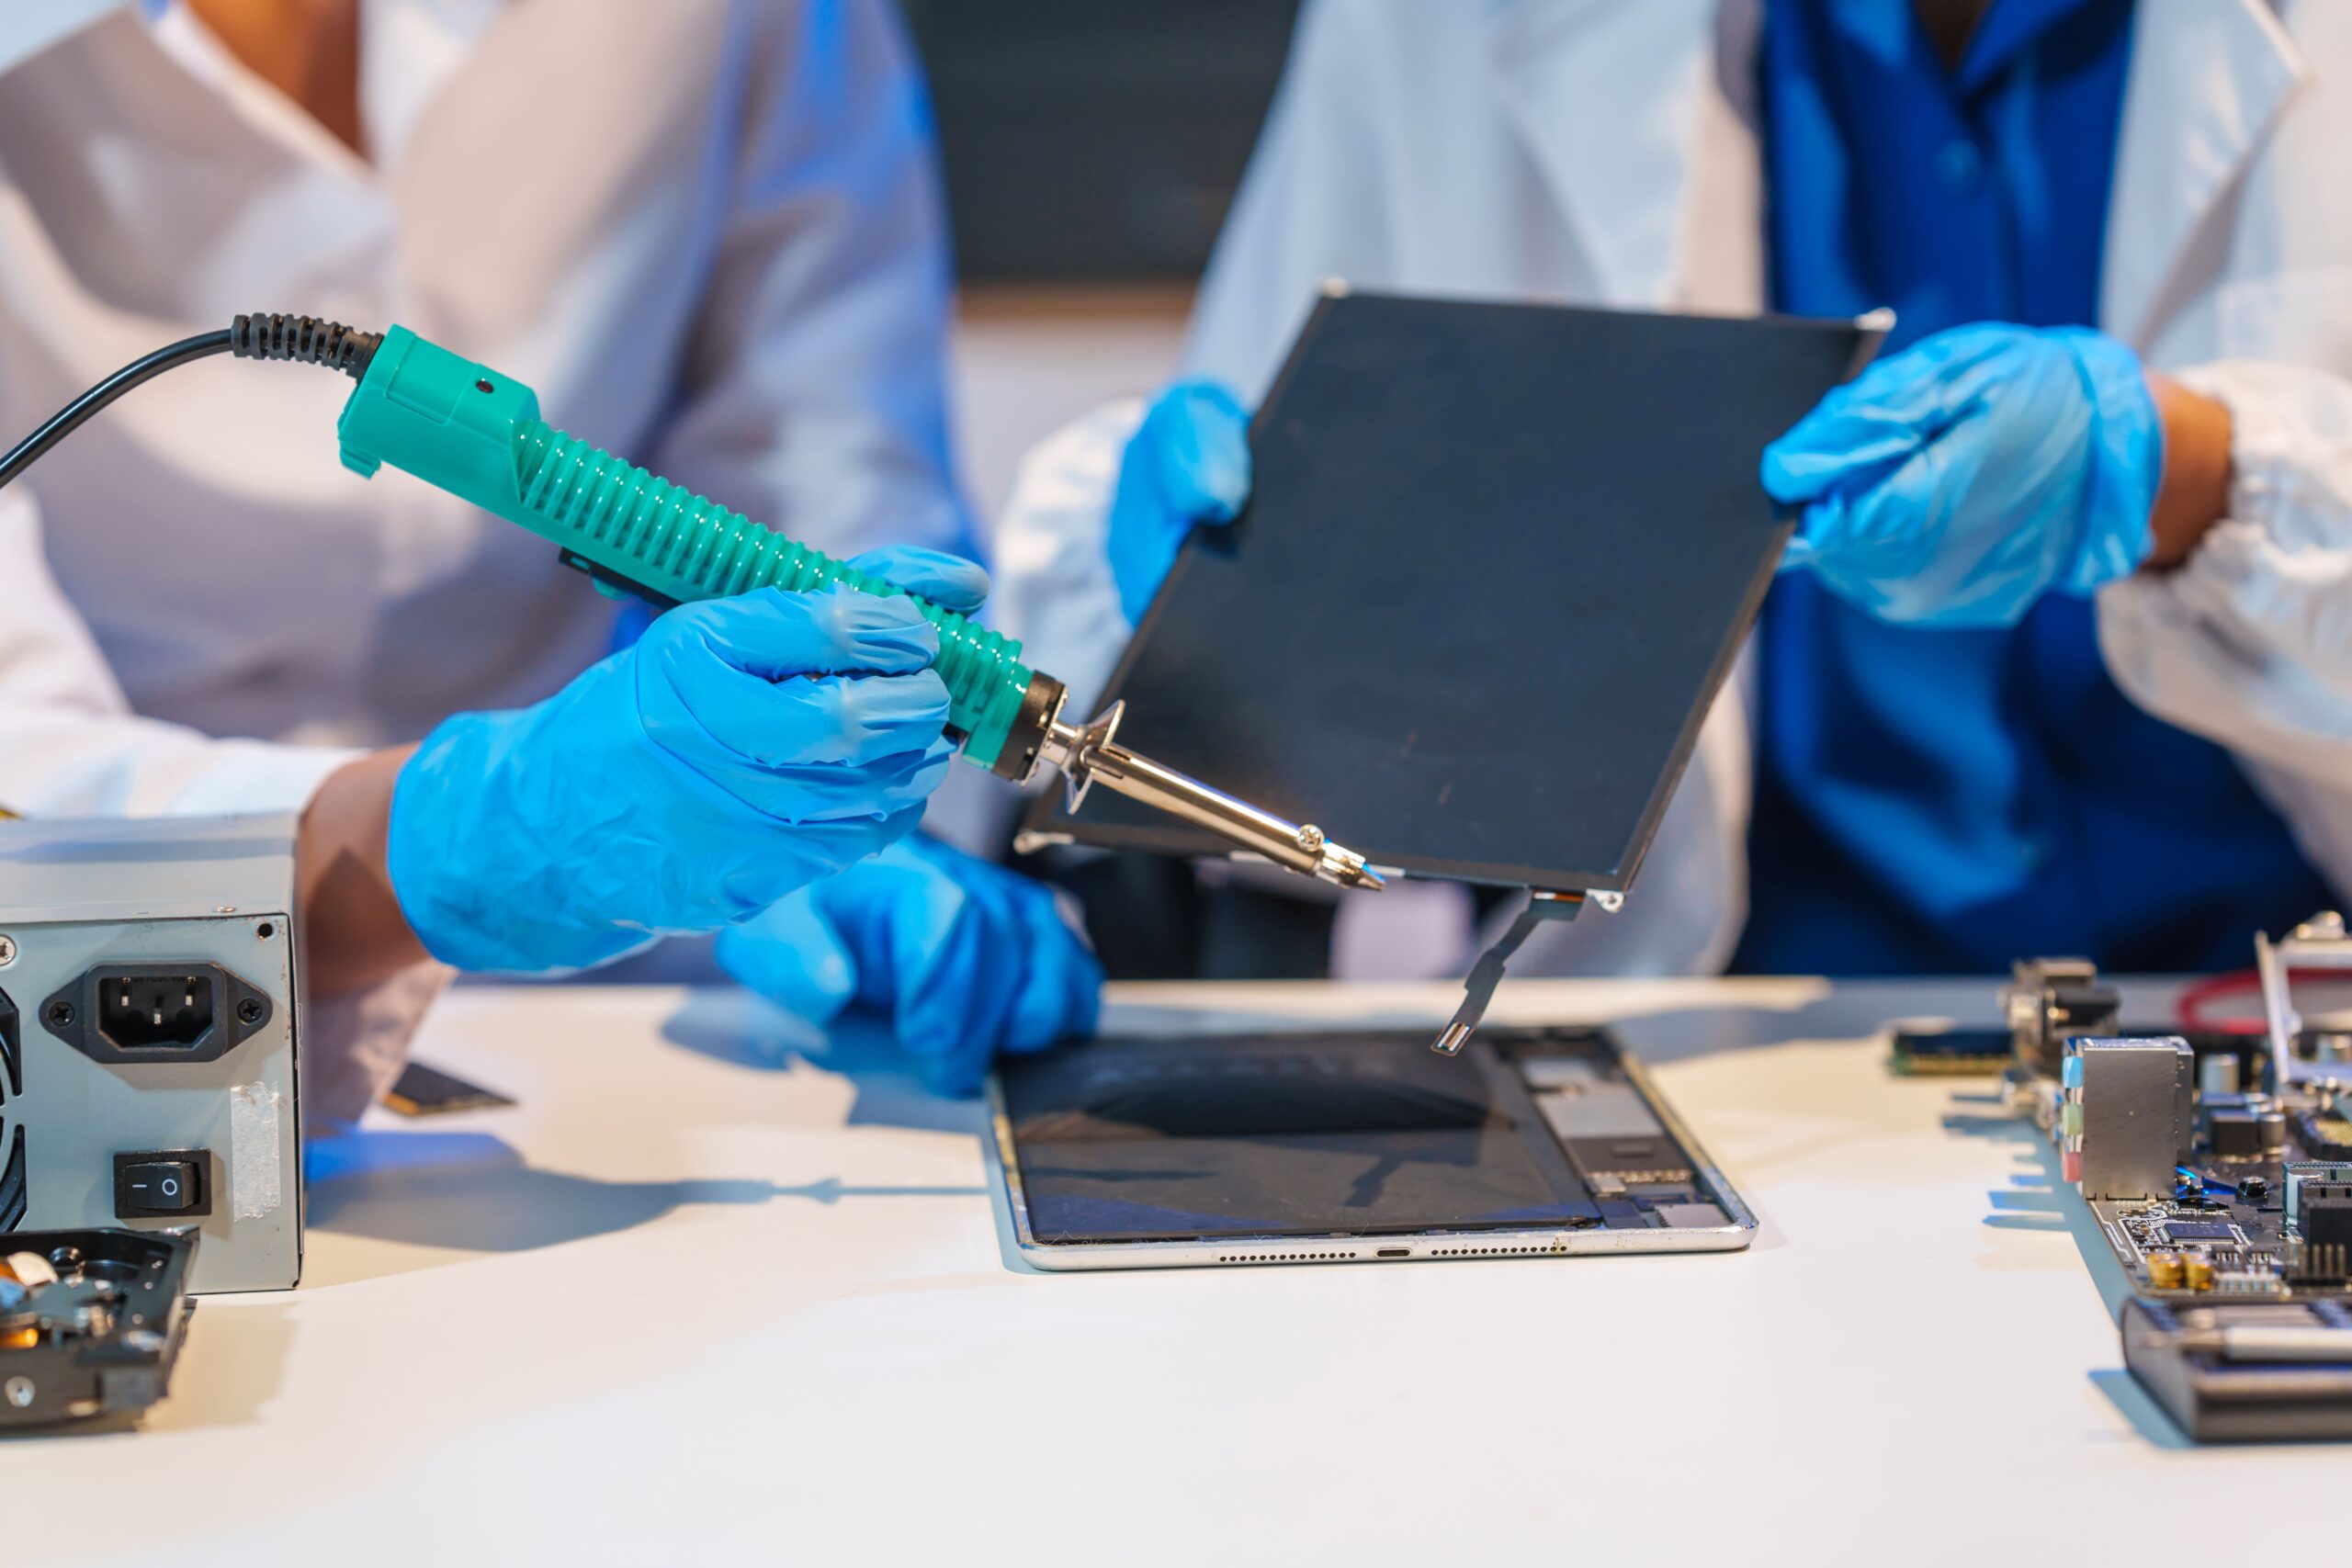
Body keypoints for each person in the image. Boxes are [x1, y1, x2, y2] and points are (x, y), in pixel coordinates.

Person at [993, 0, 2352, 981]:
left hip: (2282, 1005)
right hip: (1738, 1032)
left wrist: (2197, 472)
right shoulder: (1434, 32)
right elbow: (1231, 775)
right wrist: (1226, 612)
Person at [0, 0, 1096, 1118]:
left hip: (659, 997)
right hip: (119, 1034)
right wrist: (454, 837)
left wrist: (829, 802)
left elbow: (827, 467)